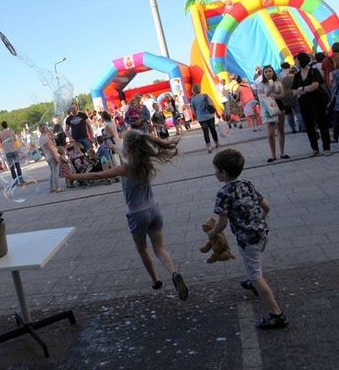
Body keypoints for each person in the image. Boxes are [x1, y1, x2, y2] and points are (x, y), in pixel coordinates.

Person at [65, 130, 188, 300]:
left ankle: (156, 280)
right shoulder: (145, 162)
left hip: (137, 213)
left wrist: (73, 176)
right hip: (154, 209)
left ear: (128, 148)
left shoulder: (126, 168)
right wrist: (114, 145)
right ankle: (174, 272)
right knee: (160, 248)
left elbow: (97, 174)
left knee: (143, 249)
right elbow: (122, 150)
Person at [206, 149, 288, 329]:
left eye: (216, 170)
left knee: (256, 274)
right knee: (254, 264)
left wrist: (212, 234)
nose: (215, 173)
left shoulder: (223, 193)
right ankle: (252, 283)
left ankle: (276, 314)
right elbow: (266, 206)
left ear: (224, 173)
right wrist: (257, 222)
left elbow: (222, 223)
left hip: (248, 240)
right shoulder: (248, 184)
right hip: (262, 233)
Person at [292, 52, 331, 156]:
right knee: (309, 126)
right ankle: (314, 148)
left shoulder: (314, 72)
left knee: (322, 124)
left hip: (316, 102)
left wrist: (302, 88)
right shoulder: (296, 76)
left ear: (301, 61)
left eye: (296, 60)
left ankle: (326, 147)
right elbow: (294, 92)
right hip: (303, 104)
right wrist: (305, 89)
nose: (295, 63)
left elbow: (315, 86)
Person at [256, 66, 289, 162]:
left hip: (279, 107)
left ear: (273, 72)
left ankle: (282, 153)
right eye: (265, 71)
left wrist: (273, 95)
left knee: (281, 130)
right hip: (268, 109)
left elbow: (282, 95)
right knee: (270, 133)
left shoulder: (278, 82)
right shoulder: (261, 85)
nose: (268, 73)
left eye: (270, 71)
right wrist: (270, 89)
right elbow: (261, 97)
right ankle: (273, 155)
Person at [190, 84, 219, 153]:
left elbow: (193, 110)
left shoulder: (193, 99)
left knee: (205, 132)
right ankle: (216, 142)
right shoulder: (205, 95)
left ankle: (209, 147)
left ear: (193, 91)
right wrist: (217, 113)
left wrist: (197, 117)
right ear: (199, 89)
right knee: (213, 129)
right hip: (210, 116)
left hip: (201, 118)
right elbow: (212, 104)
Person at [38, 124, 64, 193]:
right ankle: (57, 188)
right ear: (44, 129)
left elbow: (55, 137)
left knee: (52, 173)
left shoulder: (41, 138)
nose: (48, 128)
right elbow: (51, 149)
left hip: (47, 157)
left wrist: (49, 130)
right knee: (55, 173)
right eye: (47, 127)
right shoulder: (46, 138)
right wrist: (56, 158)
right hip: (52, 156)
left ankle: (52, 188)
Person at [0, 121, 24, 185]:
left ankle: (15, 181)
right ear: (7, 125)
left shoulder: (0, 134)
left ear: (2, 126)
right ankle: (21, 180)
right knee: (17, 165)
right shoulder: (11, 131)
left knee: (12, 167)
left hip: (7, 151)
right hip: (14, 150)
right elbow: (15, 140)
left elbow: (1, 143)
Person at [329, 56, 339, 143]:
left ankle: (335, 137)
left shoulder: (332, 73)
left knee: (336, 119)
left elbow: (332, 84)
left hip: (337, 99)